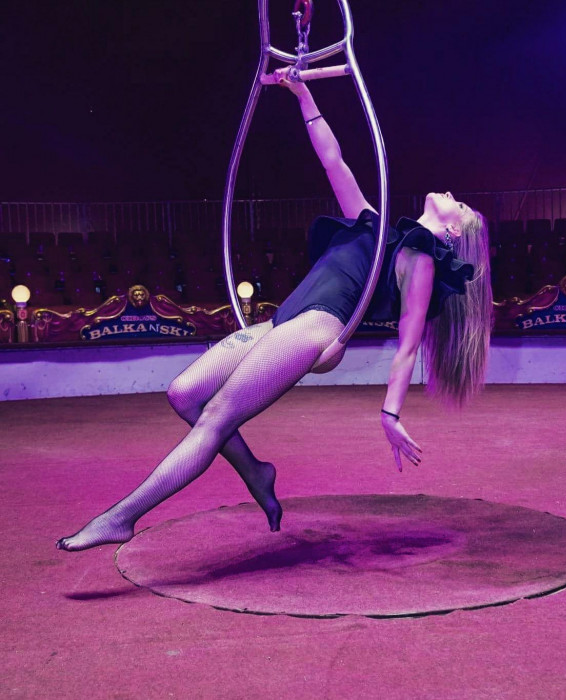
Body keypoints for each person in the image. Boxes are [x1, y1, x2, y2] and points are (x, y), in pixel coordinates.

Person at [56, 69, 492, 552]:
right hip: (283, 320)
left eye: (459, 204)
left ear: (455, 232)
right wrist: (302, 94)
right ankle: (256, 471)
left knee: (216, 415)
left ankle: (120, 518)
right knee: (183, 394)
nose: (449, 194)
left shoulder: (421, 259)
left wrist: (390, 413)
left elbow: (408, 344)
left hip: (318, 326)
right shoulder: (374, 222)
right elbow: (333, 160)